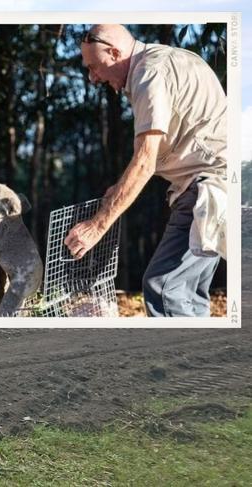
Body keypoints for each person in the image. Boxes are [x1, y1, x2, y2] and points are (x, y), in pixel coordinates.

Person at [64, 24, 226, 317]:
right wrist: (120, 188)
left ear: (114, 52)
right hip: (214, 187)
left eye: (94, 67)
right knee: (187, 296)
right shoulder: (170, 58)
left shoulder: (149, 73)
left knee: (164, 288)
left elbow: (145, 160)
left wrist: (97, 226)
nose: (93, 78)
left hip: (206, 190)